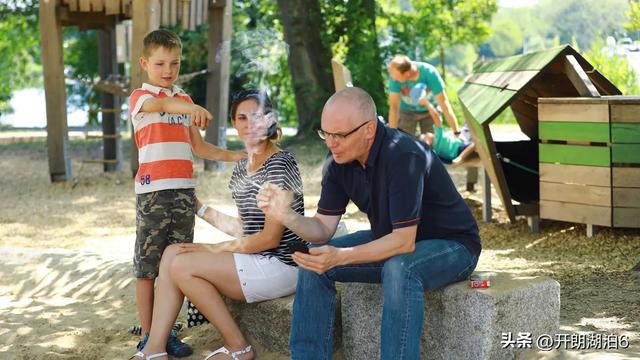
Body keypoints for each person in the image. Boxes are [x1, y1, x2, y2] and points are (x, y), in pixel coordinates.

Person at [257, 87, 481, 359]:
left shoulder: (403, 155)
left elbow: (403, 242)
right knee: (313, 261)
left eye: (339, 135)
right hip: (392, 240)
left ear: (369, 130)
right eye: (325, 133)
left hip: (453, 246)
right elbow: (323, 229)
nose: (330, 143)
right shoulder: (338, 160)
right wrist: (285, 215)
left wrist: (340, 256)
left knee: (400, 269)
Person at [131, 89, 305, 360]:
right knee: (172, 252)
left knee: (183, 264)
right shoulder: (242, 167)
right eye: (242, 118)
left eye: (257, 117)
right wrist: (199, 208)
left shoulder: (280, 163)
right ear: (234, 123)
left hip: (282, 265)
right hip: (256, 258)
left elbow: (270, 238)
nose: (250, 125)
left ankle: (238, 346)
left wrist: (211, 249)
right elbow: (245, 228)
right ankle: (154, 349)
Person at [129, 29, 245, 357]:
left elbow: (200, 146)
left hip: (183, 193)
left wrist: (234, 155)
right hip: (153, 193)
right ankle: (149, 336)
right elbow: (159, 104)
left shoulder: (184, 100)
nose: (168, 70)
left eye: (175, 64)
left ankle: (167, 332)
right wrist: (185, 107)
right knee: (148, 267)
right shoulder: (140, 97)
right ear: (144, 63)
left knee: (176, 263)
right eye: (160, 63)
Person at [387, 54, 461, 137]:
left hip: (429, 111)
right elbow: (394, 107)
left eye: (396, 77)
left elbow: (444, 104)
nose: (394, 79)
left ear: (407, 74)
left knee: (432, 143)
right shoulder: (394, 78)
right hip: (406, 112)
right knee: (405, 141)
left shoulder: (430, 73)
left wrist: (457, 132)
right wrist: (392, 136)